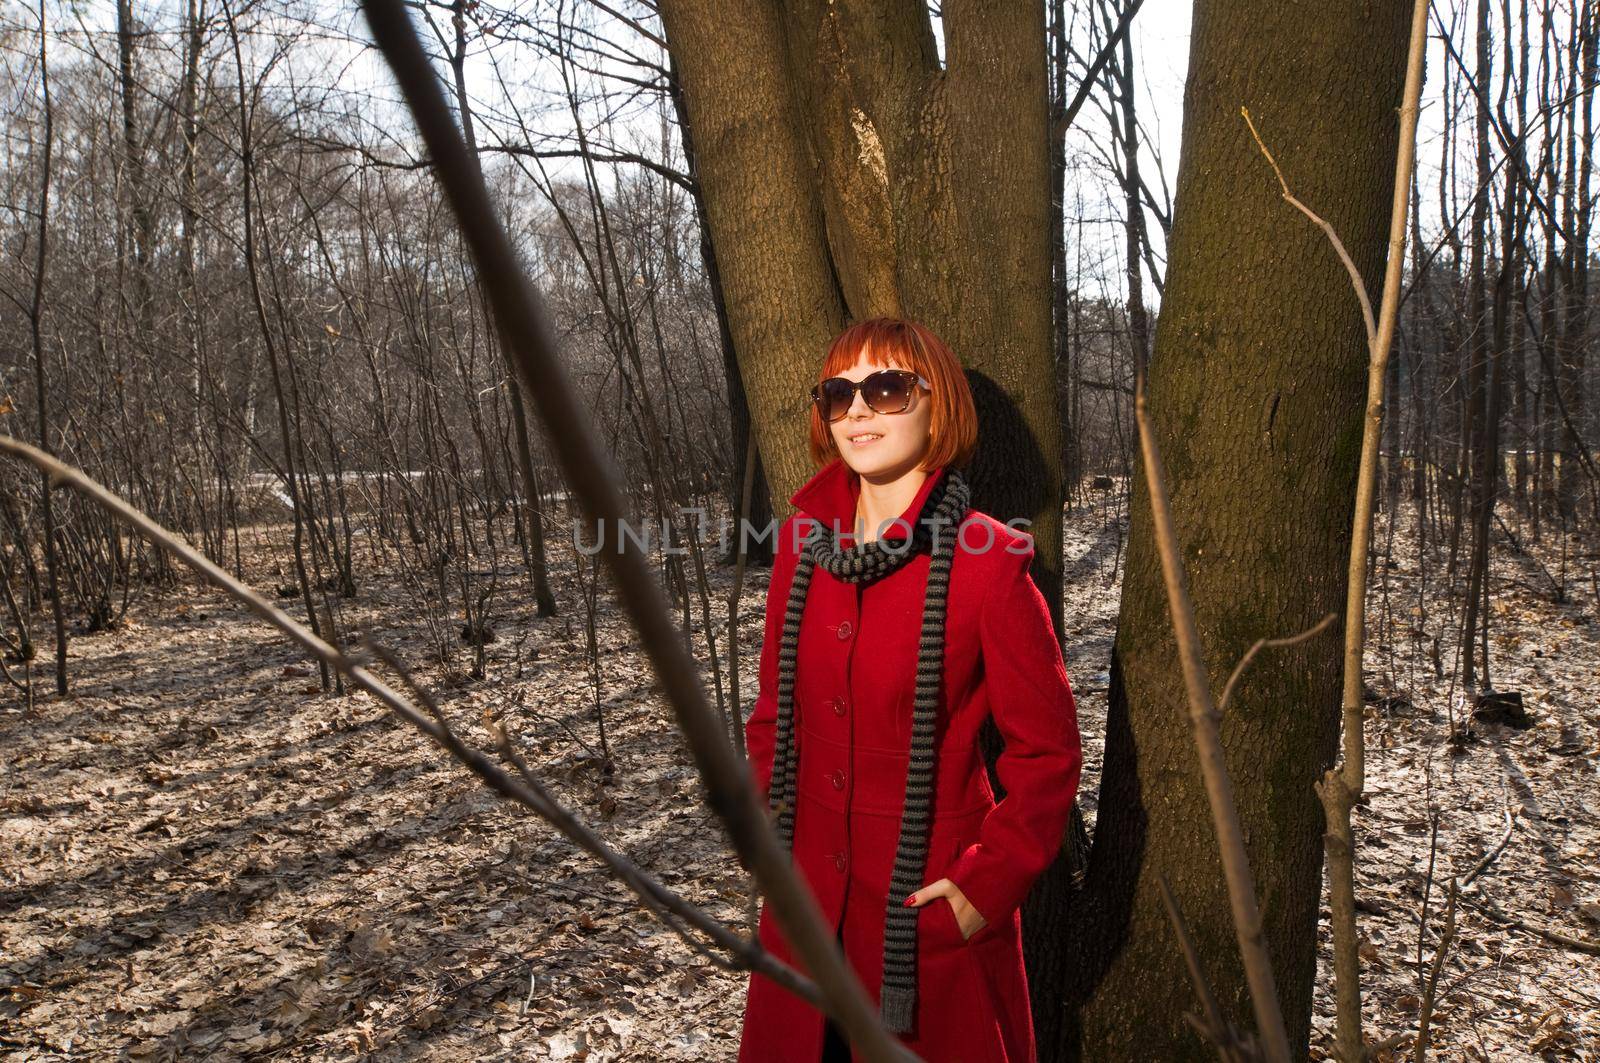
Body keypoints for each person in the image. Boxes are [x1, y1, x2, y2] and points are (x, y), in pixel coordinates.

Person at [736, 317, 1083, 1062]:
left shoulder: (988, 563)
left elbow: (1048, 755)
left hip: (919, 929)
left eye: (887, 387)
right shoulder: (801, 547)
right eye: (839, 394)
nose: (859, 411)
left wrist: (978, 894)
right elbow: (773, 718)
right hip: (805, 920)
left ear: (939, 405)